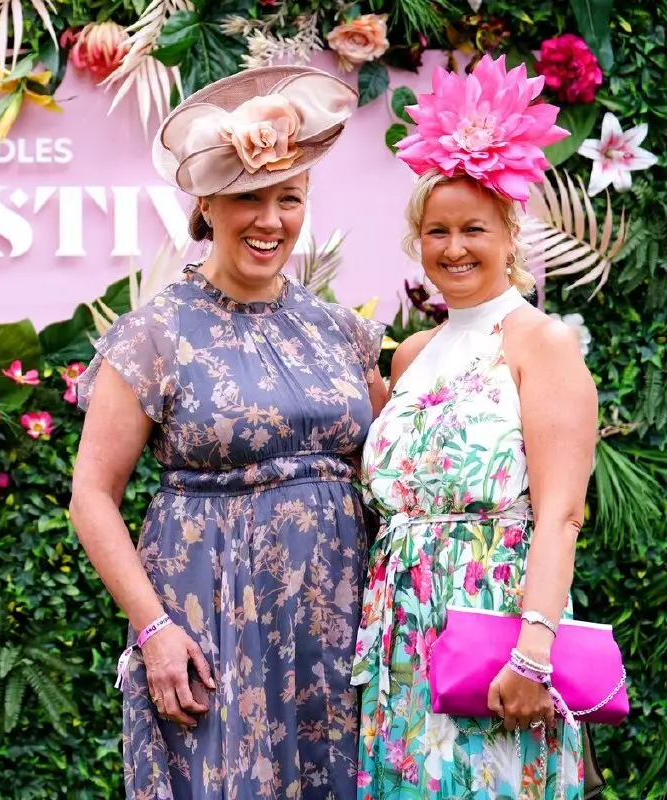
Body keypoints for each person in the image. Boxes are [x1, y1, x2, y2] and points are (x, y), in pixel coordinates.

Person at [70, 64, 388, 799]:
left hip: (337, 617)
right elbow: (91, 496)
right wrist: (154, 630)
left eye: (289, 198)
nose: (270, 220)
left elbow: (395, 463)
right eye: (248, 197)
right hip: (209, 612)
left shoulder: (339, 331)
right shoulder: (153, 334)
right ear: (207, 206)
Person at [351, 55, 597, 798]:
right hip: (399, 635)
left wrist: (533, 652)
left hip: (497, 628)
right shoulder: (410, 355)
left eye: (473, 229)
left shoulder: (541, 343)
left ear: (510, 236)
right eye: (437, 231)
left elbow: (561, 515)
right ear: (417, 241)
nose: (453, 247)